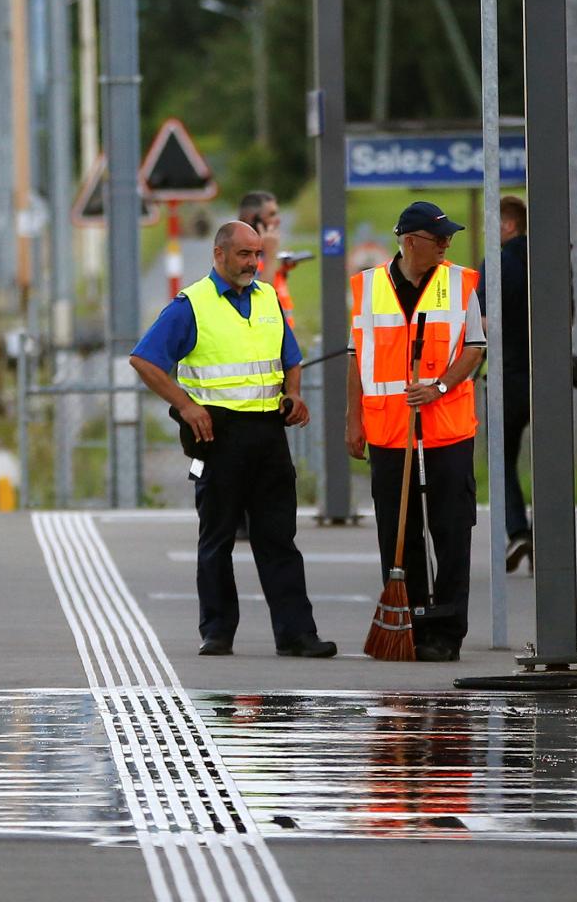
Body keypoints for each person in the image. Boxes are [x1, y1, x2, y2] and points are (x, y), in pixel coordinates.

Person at [129, 220, 336, 659]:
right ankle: (217, 631)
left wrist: (293, 394)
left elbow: (290, 357)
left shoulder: (267, 299)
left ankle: (297, 635)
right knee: (217, 538)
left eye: (257, 254)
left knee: (279, 538)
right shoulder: (191, 304)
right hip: (217, 435)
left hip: (267, 433)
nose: (253, 263)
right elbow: (144, 360)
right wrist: (186, 406)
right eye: (244, 254)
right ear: (219, 254)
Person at [348, 201, 487, 661]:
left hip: (447, 427)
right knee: (398, 532)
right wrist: (354, 421)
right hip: (389, 430)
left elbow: (474, 348)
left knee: (450, 530)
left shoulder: (459, 282)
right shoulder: (367, 288)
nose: (447, 245)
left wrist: (440, 386)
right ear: (410, 242)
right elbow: (356, 360)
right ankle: (410, 623)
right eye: (439, 238)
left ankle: (446, 632)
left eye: (449, 238)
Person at [477, 194, 533, 571]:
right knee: (550, 461)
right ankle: (551, 534)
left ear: (508, 225)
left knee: (502, 458)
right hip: (547, 375)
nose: (486, 230)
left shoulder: (498, 263)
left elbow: (481, 325)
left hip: (508, 375)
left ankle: (519, 532)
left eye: (491, 222)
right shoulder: (549, 260)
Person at [237, 189, 294, 328]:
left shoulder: (262, 250)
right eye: (271, 214)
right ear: (252, 218)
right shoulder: (237, 252)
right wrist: (270, 254)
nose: (278, 220)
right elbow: (258, 295)